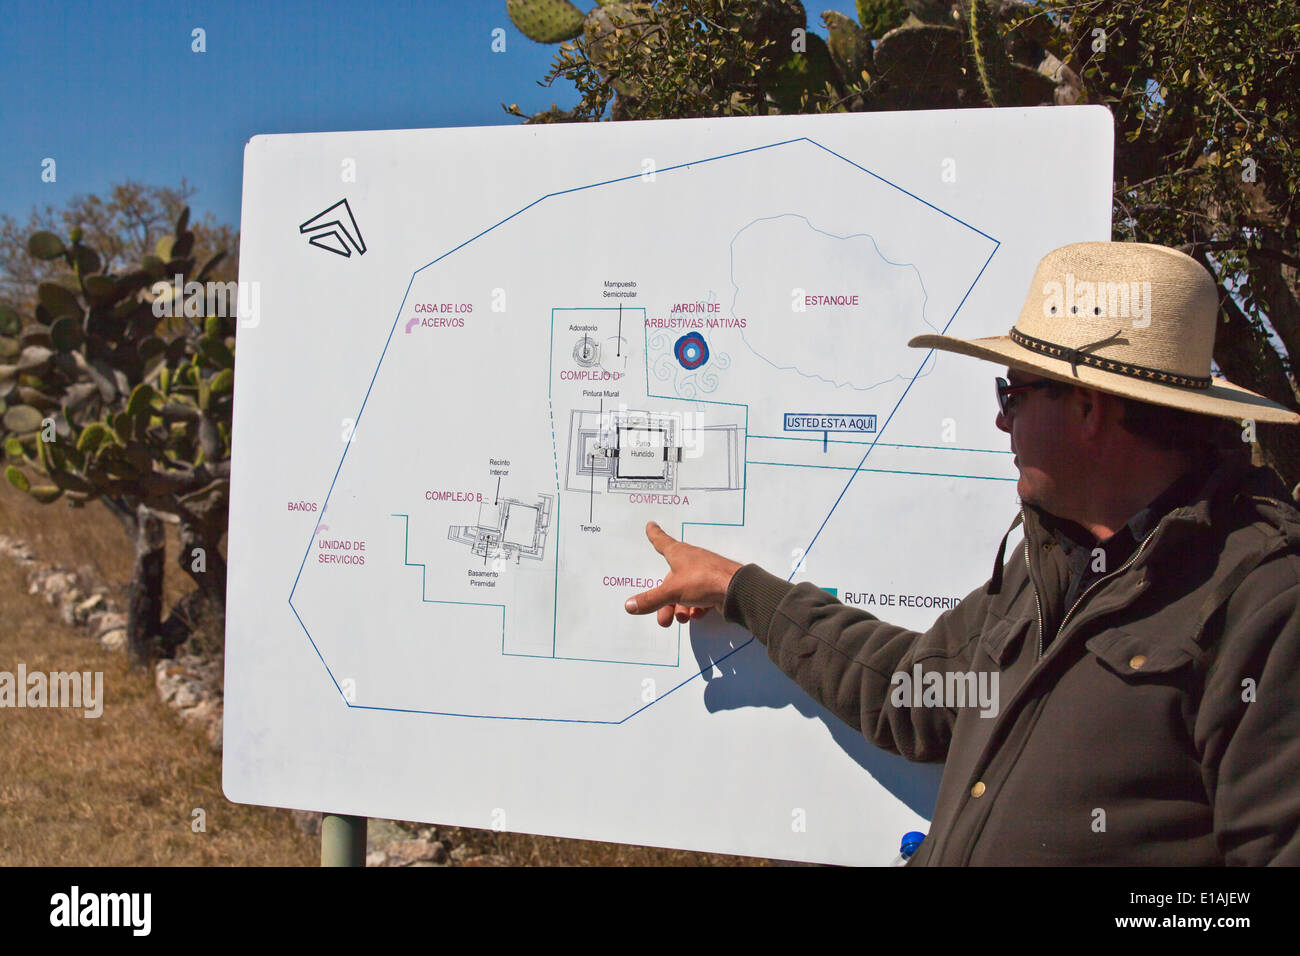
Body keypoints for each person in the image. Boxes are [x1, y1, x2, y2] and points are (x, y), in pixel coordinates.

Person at [624, 241, 1300, 865]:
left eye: (1014, 392)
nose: (1002, 419)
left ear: (1089, 409)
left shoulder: (1265, 604)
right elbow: (911, 695)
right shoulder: (1048, 567)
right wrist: (741, 588)